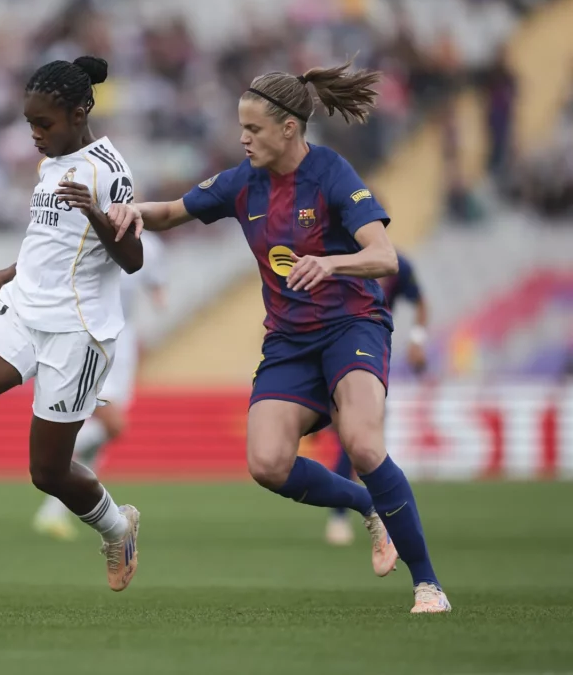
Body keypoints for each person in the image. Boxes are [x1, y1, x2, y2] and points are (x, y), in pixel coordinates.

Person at [107, 61, 450, 613]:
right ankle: (369, 507)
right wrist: (131, 212)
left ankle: (428, 585)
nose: (243, 139)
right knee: (267, 464)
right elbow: (172, 211)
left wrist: (333, 265)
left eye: (254, 129)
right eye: (241, 128)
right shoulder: (243, 183)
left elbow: (385, 255)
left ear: (289, 128)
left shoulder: (333, 173)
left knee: (362, 443)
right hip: (289, 341)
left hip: (352, 327)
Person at [0, 56, 144, 590]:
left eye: (43, 123)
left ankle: (118, 529)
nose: (34, 134)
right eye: (29, 123)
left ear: (78, 112)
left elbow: (132, 259)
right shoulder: (53, 160)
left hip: (77, 329)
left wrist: (96, 211)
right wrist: (5, 274)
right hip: (23, 307)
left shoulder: (109, 172)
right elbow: (51, 243)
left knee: (47, 473)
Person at [33, 231, 166, 540]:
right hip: (92, 334)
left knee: (106, 433)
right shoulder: (86, 233)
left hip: (124, 341)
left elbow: (158, 291)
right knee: (113, 425)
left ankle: (52, 512)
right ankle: (47, 458)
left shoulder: (152, 245)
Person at [326, 250, 428, 546]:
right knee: (353, 438)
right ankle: (351, 513)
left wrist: (418, 341)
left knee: (358, 438)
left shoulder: (395, 264)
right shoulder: (333, 256)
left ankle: (346, 515)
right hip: (332, 352)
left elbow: (421, 302)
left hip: (369, 353)